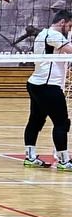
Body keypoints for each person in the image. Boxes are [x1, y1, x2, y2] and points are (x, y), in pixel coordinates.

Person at [23, 9, 72, 171]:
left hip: (35, 84)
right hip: (49, 86)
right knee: (61, 123)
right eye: (69, 26)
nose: (69, 29)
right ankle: (64, 161)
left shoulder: (42, 34)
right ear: (62, 23)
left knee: (35, 121)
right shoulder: (55, 35)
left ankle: (30, 157)